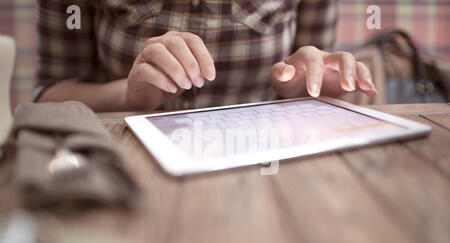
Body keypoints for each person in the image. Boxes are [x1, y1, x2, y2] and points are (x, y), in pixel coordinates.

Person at [35, 0, 377, 112]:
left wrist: (301, 82)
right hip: (121, 166)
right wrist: (130, 95)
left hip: (266, 167)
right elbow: (49, 96)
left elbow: (307, 72)